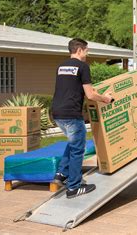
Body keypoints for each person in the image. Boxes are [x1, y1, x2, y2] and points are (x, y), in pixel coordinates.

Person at [52, 38, 113, 199]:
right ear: (79, 50)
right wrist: (106, 99)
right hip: (72, 114)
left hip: (57, 112)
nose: (87, 53)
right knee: (78, 149)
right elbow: (90, 94)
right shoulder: (82, 66)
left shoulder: (61, 66)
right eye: (86, 50)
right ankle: (74, 187)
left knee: (73, 144)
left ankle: (61, 174)